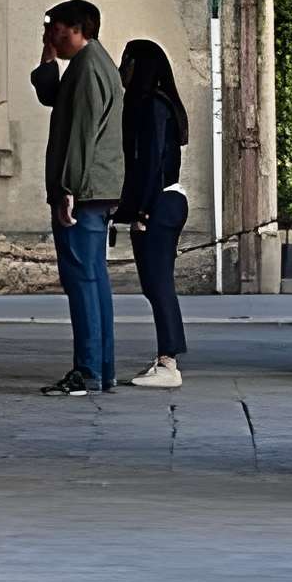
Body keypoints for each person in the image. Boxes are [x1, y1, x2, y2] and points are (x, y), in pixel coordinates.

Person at [30, 0, 124, 398]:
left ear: (75, 29)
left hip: (83, 191)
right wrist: (48, 59)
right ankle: (101, 369)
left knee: (81, 279)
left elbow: (81, 135)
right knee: (93, 278)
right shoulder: (92, 64)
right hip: (95, 189)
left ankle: (87, 371)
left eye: (55, 29)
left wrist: (67, 188)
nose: (50, 35)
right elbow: (53, 97)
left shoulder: (87, 70)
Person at [115, 37, 190, 388]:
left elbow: (152, 164)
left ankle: (168, 362)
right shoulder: (154, 104)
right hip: (162, 202)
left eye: (127, 62)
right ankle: (165, 359)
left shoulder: (153, 106)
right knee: (154, 284)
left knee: (159, 284)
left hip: (159, 203)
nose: (122, 70)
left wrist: (142, 210)